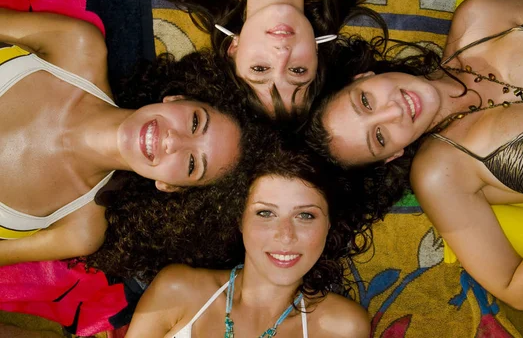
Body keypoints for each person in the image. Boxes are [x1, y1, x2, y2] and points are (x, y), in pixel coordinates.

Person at [305, 0, 523, 310]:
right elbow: (516, 289)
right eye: (379, 136)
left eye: (365, 102)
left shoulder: (480, 18)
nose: (393, 111)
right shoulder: (441, 174)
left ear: (364, 77)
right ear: (392, 154)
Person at [0, 8, 258, 267]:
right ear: (179, 98)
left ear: (170, 186)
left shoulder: (80, 231)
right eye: (195, 122)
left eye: (192, 164)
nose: (173, 141)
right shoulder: (77, 46)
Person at [124, 140, 380, 337]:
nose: (285, 236)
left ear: (328, 225)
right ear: (240, 219)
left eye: (305, 216)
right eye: (265, 213)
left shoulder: (341, 327)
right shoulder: (177, 289)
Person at [144, 0, 397, 117]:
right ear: (317, 56)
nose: (282, 52)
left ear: (234, 48)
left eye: (260, 68)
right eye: (298, 70)